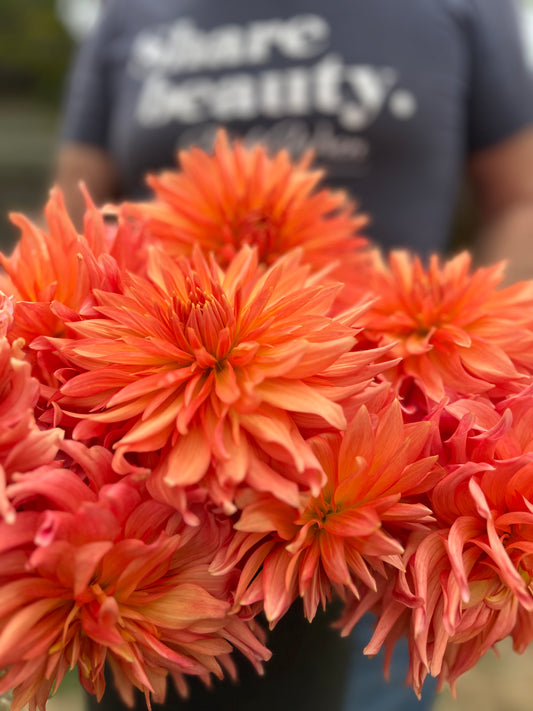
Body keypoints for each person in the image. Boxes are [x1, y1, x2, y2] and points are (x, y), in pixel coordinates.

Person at [54, 1, 533, 709]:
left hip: (385, 482)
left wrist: (493, 359)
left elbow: (518, 197)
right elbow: (75, 215)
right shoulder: (132, 13)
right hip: (153, 494)